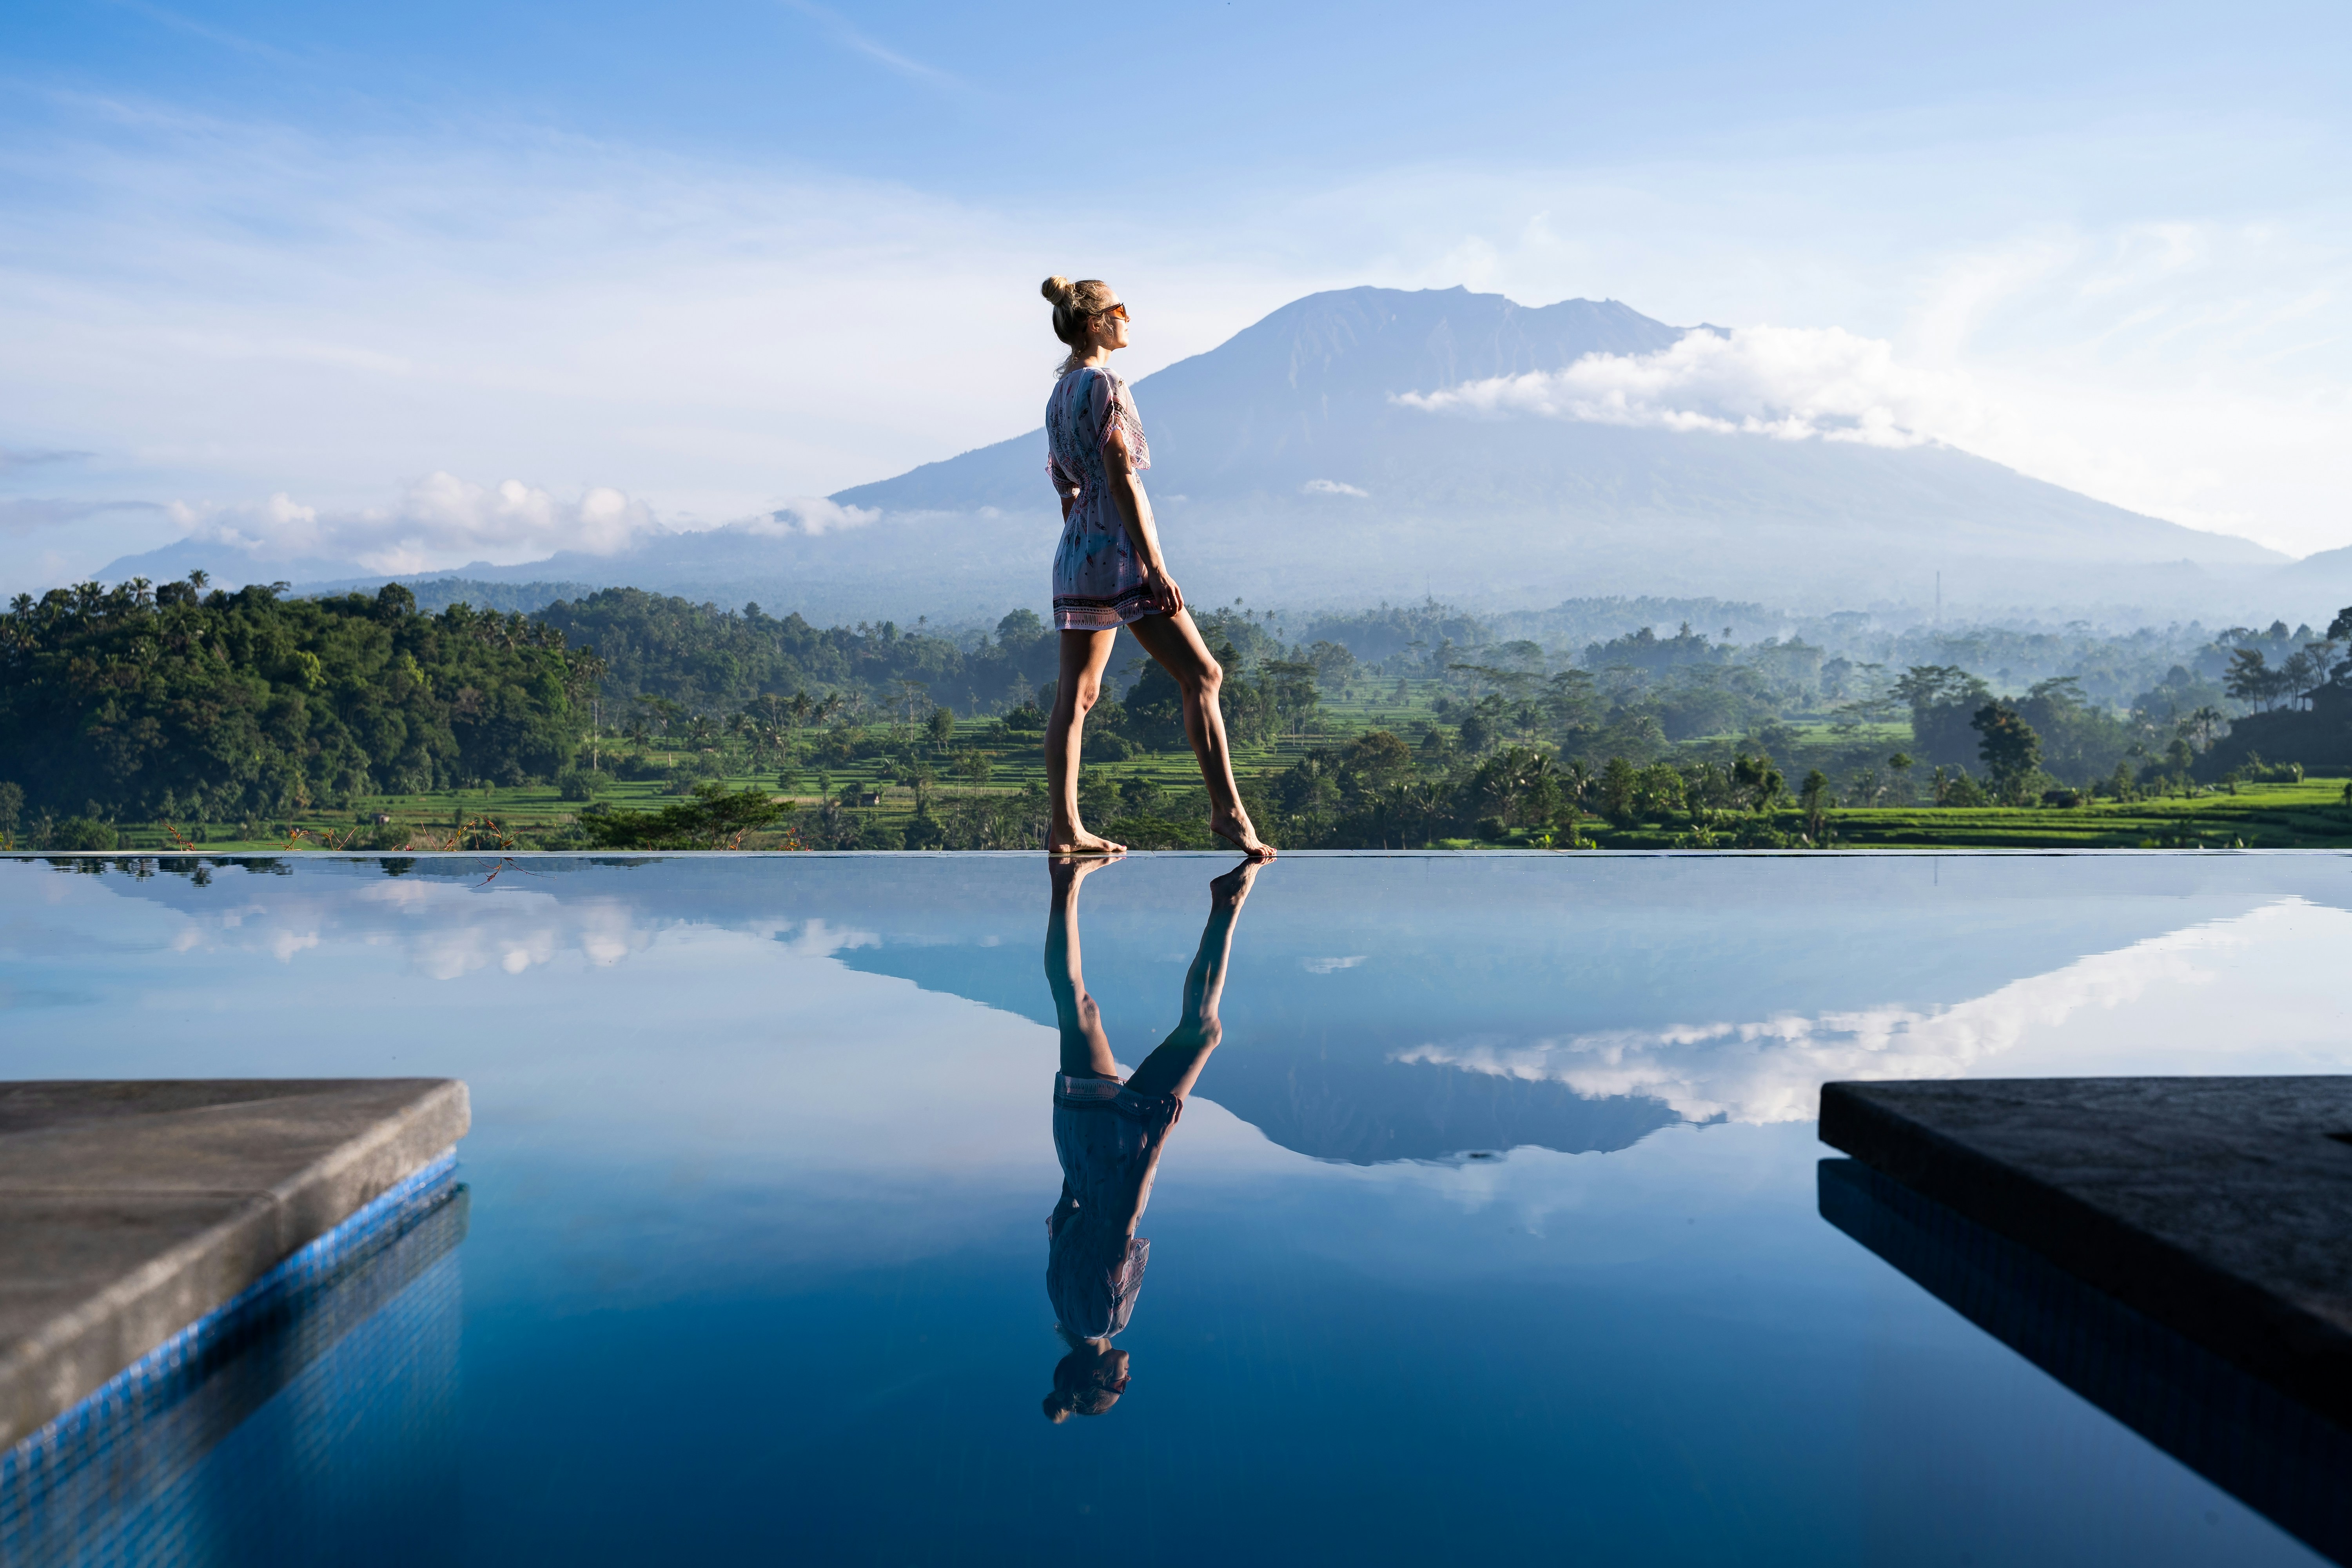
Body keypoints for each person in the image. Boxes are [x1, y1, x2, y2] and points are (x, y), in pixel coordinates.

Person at [1036, 275, 1275, 859]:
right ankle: (1228, 814)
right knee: (1203, 675)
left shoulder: (1059, 394)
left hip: (1075, 549)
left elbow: (1068, 490)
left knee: (1077, 695)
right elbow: (1123, 479)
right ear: (1095, 323)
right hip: (1120, 549)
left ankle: (1065, 825)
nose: (1128, 318)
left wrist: (1086, 538)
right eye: (1120, 309)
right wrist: (1155, 565)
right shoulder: (1106, 385)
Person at [1039, 854, 1260, 1421]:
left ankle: (1226, 904)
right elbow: (1062, 1216)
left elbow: (1122, 1226)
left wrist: (1156, 1140)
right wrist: (1077, 1154)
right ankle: (1065, 883)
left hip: (1120, 1157)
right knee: (1076, 1008)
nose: (1128, 1377)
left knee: (1202, 1031)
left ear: (1096, 1380)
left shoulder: (1105, 1318)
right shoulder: (1061, 1307)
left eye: (1120, 1387)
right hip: (1081, 1149)